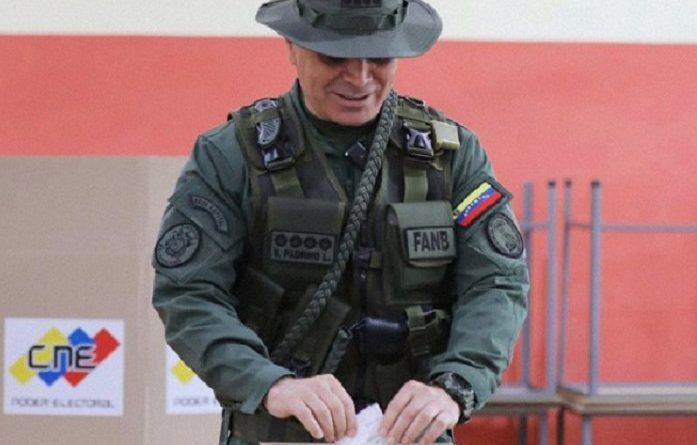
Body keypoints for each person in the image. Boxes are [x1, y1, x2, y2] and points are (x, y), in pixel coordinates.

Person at [152, 1, 529, 444]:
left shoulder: (451, 156)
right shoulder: (232, 155)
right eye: (334, 57)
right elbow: (189, 292)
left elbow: (496, 282)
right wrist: (268, 383)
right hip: (278, 432)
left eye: (379, 58)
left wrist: (456, 383)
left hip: (408, 435)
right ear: (292, 46)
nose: (360, 78)